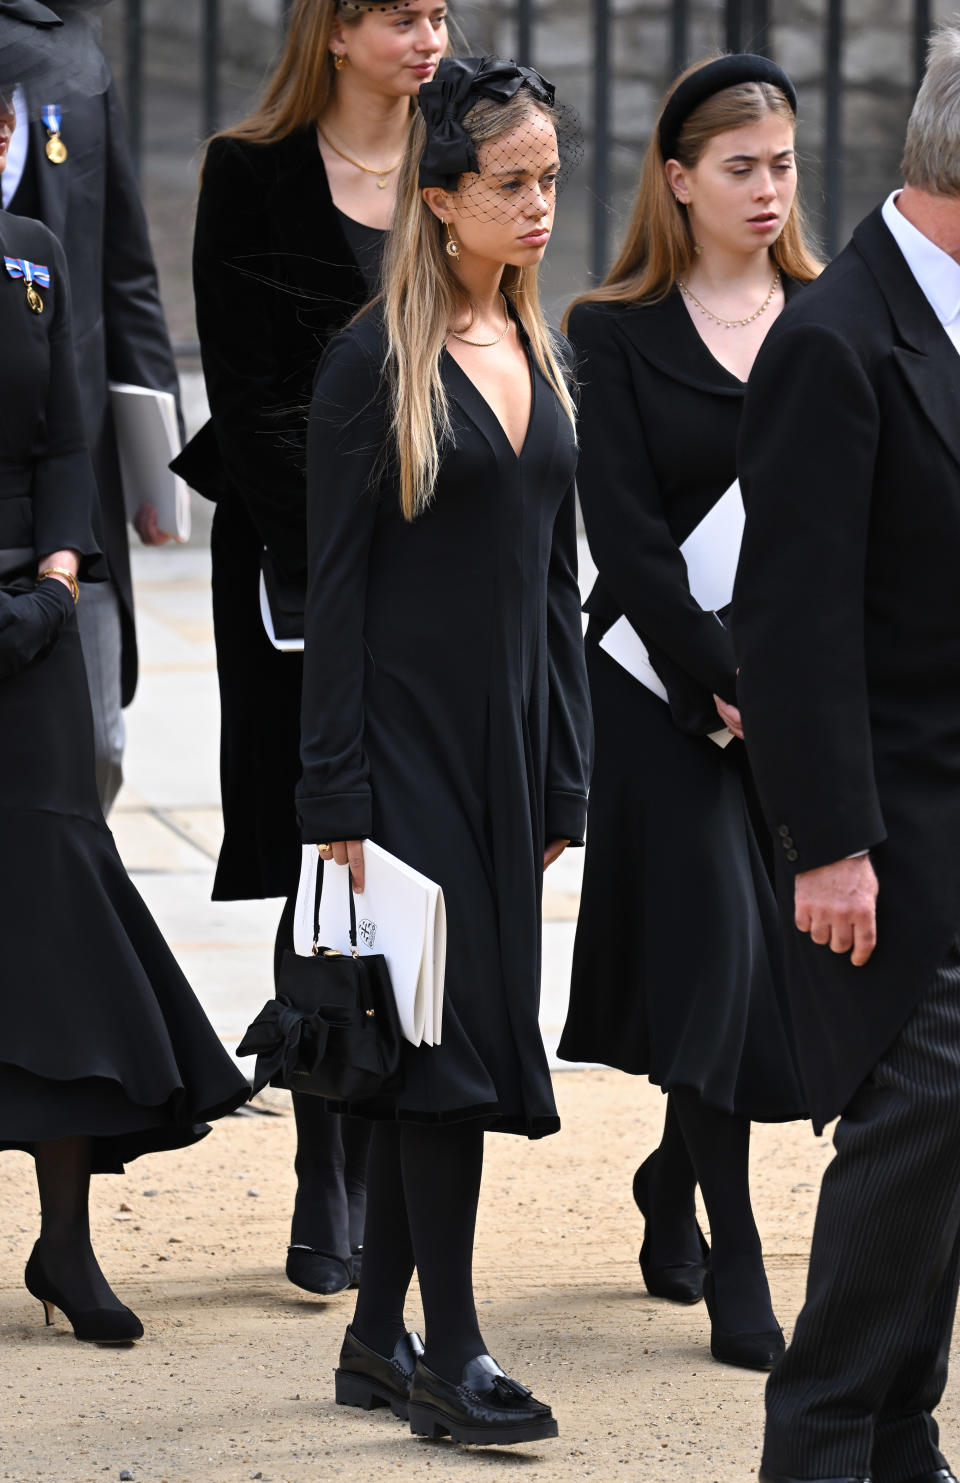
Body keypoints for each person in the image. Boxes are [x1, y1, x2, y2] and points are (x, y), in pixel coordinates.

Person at [296, 55, 591, 1444]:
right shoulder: (373, 363)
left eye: (549, 178)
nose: (540, 205)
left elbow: (553, 582)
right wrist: (336, 792)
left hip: (508, 756)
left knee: (450, 1048)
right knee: (444, 1055)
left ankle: (373, 1338)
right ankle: (451, 1352)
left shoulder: (538, 347)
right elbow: (335, 598)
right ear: (439, 199)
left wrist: (567, 767)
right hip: (403, 760)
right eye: (511, 183)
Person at [174, 0, 449, 1299]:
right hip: (295, 564)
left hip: (438, 561)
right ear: (334, 31)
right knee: (318, 843)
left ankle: (394, 1136)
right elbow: (248, 388)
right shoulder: (250, 173)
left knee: (411, 843)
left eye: (444, 12)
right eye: (403, 14)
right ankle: (323, 1151)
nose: (429, 36)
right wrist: (346, 560)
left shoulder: (462, 154)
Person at [557, 54, 818, 1372]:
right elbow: (626, 532)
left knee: (769, 974)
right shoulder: (612, 328)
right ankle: (740, 1256)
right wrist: (720, 678)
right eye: (741, 168)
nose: (769, 189)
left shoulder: (838, 315)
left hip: (808, 703)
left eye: (781, 164)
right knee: (719, 949)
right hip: (661, 697)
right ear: (678, 180)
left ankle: (671, 1178)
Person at [0, 9, 249, 1346]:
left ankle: (64, 1235)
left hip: (45, 566)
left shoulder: (69, 60)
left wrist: (72, 548)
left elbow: (108, 317)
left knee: (59, 871)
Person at [733, 25, 960, 1483]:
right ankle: (826, 1446)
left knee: (940, 1169)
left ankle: (899, 1445)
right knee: (912, 1144)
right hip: (889, 843)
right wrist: (831, 844)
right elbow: (791, 622)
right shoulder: (837, 335)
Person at [0, 0, 183, 816]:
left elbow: (125, 268)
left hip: (72, 463)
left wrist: (156, 460)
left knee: (98, 742)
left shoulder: (75, 51)